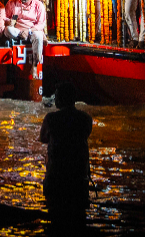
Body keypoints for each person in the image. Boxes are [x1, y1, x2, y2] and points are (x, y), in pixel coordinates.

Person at [39, 83, 93, 224]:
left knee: (55, 219)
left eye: (56, 97)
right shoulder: (86, 118)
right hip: (79, 177)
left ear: (61, 99)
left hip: (56, 176)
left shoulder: (51, 119)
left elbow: (43, 138)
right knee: (79, 220)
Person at [4, 0, 47, 75]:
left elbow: (41, 24)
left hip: (31, 31)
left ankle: (35, 65)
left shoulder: (38, 5)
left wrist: (29, 31)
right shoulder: (13, 2)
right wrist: (10, 22)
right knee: (8, 30)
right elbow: (5, 17)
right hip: (17, 31)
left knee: (38, 35)